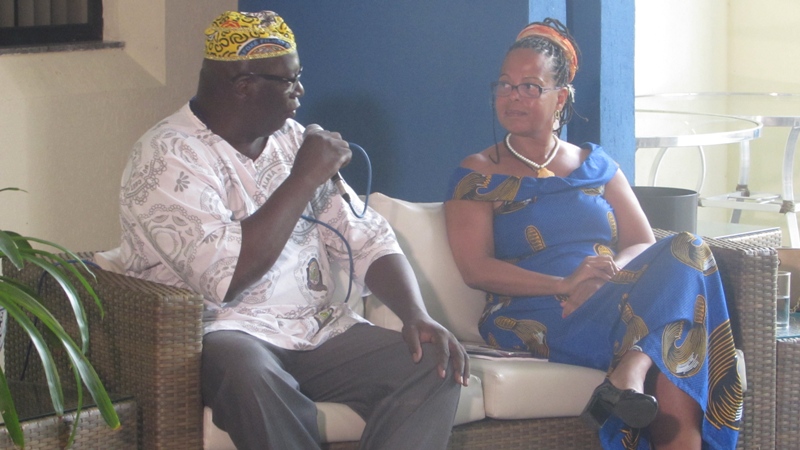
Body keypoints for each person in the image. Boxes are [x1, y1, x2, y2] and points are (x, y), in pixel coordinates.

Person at [114, 10, 468, 450]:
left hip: (315, 330)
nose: (300, 90)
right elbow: (226, 276)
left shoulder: (292, 139)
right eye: (289, 80)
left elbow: (366, 235)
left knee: (434, 363)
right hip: (226, 334)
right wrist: (303, 178)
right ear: (244, 86)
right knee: (247, 373)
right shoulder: (166, 155)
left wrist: (416, 314)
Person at [443, 18, 742, 450]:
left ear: (561, 97)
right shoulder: (478, 173)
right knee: (675, 334)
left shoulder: (597, 165)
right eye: (505, 85)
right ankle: (632, 371)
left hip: (610, 297)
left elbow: (642, 242)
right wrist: (565, 284)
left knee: (688, 248)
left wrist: (605, 274)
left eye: (530, 86)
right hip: (536, 313)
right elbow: (476, 268)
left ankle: (631, 370)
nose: (513, 96)